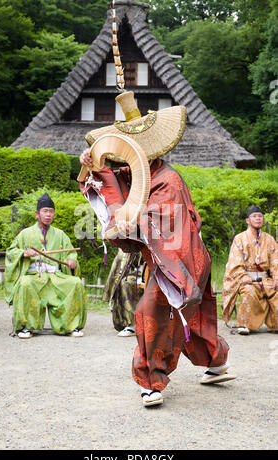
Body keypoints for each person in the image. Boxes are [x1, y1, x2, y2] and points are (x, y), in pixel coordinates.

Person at [79, 90, 236, 407]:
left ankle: (151, 381)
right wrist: (89, 165)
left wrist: (126, 223)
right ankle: (217, 362)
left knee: (150, 311)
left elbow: (157, 222)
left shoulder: (168, 179)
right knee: (188, 318)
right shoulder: (134, 174)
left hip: (182, 260)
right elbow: (105, 179)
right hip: (170, 260)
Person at [4, 192, 87, 339]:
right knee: (24, 283)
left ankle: (70, 326)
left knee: (75, 283)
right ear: (37, 214)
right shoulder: (25, 234)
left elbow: (71, 254)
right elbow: (11, 252)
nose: (49, 215)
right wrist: (24, 253)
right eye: (45, 211)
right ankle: (26, 327)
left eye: (51, 211)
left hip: (55, 276)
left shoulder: (61, 234)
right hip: (34, 276)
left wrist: (72, 262)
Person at [222, 205, 278, 335]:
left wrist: (276, 277)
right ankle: (244, 324)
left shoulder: (269, 239)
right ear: (248, 220)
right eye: (254, 216)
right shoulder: (239, 239)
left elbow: (275, 261)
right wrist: (243, 276)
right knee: (249, 292)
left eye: (260, 216)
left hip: (265, 279)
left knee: (275, 291)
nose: (258, 219)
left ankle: (275, 325)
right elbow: (235, 262)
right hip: (247, 279)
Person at [102, 248, 144, 337]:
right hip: (138, 274)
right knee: (125, 282)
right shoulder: (129, 241)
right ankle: (131, 324)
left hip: (157, 272)